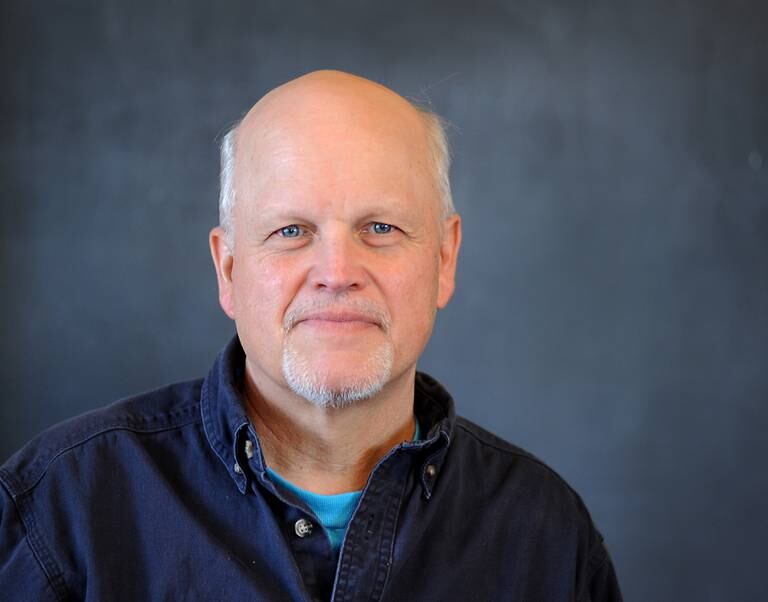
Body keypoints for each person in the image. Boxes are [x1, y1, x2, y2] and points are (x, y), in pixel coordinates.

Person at [0, 70, 622, 601]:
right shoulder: (60, 513)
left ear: (445, 259)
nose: (337, 274)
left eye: (380, 227)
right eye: (291, 231)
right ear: (230, 269)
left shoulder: (547, 536)